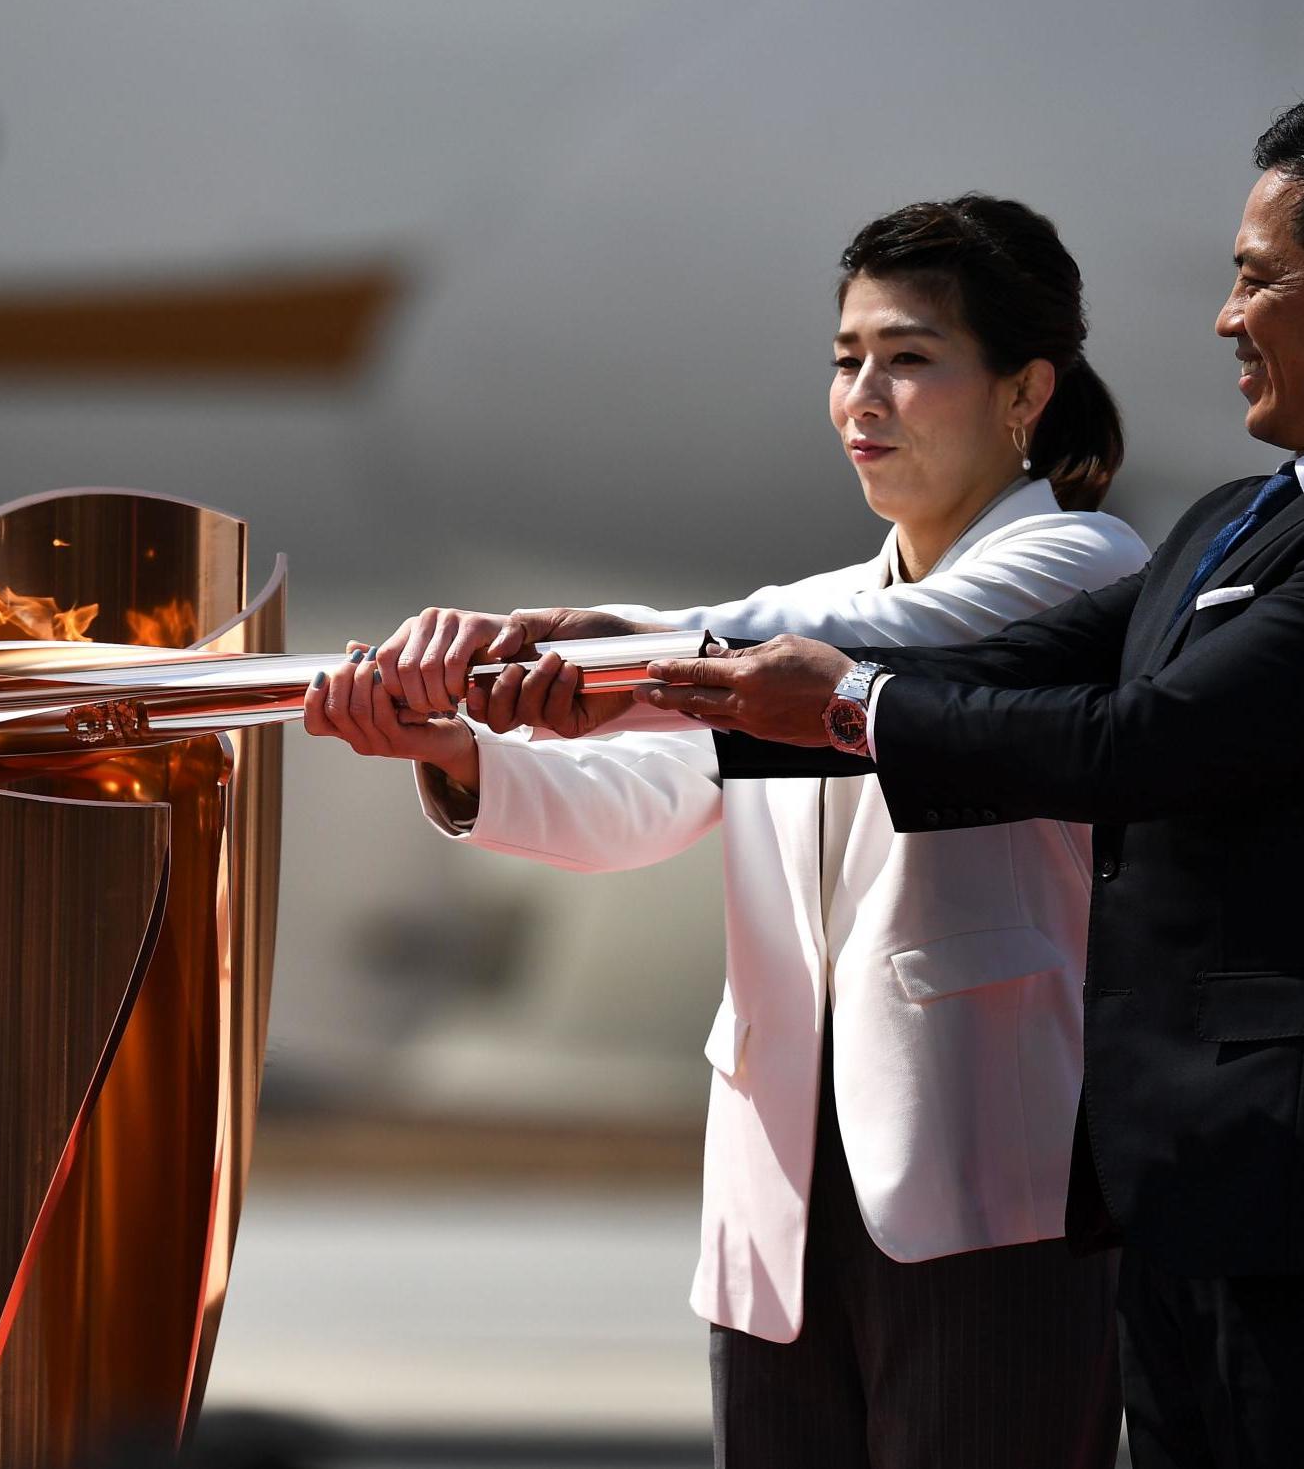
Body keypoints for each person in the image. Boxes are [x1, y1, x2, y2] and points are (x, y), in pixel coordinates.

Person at [606, 88, 1304, 1468]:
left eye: (1258, 278)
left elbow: (1146, 743)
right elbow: (997, 665)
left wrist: (844, 703)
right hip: (1184, 1193)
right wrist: (659, 683)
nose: (1225, 317)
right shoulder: (1237, 520)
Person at [305, 195, 1149, 1467]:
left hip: (991, 1183)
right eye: (846, 359)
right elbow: (646, 797)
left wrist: (605, 643)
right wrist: (456, 752)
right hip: (780, 1191)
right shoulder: (799, 610)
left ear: (1026, 391)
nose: (863, 397)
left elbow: (897, 642)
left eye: (909, 357)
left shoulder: (1080, 565)